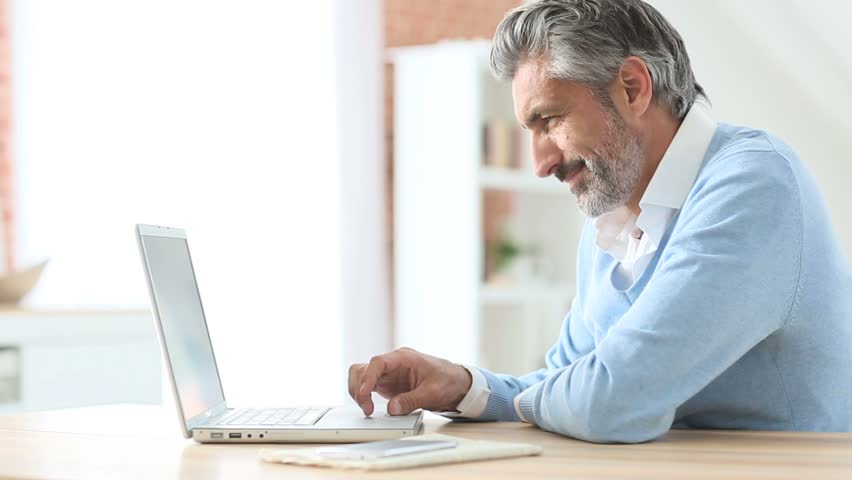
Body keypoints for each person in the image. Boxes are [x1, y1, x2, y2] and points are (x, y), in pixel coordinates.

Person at [349, 0, 852, 443]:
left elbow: (612, 400)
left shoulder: (754, 183)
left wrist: (552, 398)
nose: (540, 162)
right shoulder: (610, 224)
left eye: (549, 120)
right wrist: (464, 385)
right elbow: (568, 381)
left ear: (632, 88)